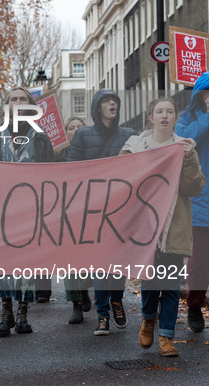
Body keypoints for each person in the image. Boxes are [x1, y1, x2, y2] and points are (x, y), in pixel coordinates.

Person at [121, 97, 205, 356]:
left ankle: (167, 337)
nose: (165, 115)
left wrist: (189, 160)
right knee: (150, 281)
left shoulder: (184, 147)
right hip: (145, 227)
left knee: (170, 283)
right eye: (160, 111)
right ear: (151, 117)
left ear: (175, 118)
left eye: (170, 111)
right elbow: (121, 179)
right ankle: (148, 319)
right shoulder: (135, 146)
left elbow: (194, 187)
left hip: (173, 225)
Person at [0, 86, 55, 337]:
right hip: (2, 207)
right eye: (13, 99)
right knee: (4, 262)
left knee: (26, 261)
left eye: (22, 99)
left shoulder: (41, 137)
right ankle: (6, 313)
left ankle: (23, 312)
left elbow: (52, 173)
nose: (17, 102)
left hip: (31, 207)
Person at [67, 89, 137, 335]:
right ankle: (102, 315)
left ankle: (117, 300)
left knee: (117, 262)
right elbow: (72, 168)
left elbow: (140, 164)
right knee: (99, 264)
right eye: (107, 101)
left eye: (115, 101)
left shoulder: (129, 134)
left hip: (120, 209)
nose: (112, 104)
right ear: (98, 107)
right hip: (93, 210)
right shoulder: (83, 134)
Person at [174, 71, 209, 333]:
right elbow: (182, 145)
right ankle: (194, 305)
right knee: (199, 263)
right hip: (201, 205)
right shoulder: (188, 120)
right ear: (200, 97)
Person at [56, 116, 92, 324]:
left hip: (90, 211)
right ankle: (75, 304)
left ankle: (84, 287)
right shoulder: (59, 155)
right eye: (71, 128)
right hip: (65, 213)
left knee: (87, 259)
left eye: (80, 126)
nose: (76, 130)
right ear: (67, 133)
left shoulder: (93, 153)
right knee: (69, 260)